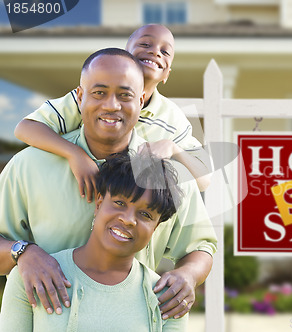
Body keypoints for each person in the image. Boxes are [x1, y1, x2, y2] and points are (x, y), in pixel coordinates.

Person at [0, 48, 216, 321]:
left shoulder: (168, 177)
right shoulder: (28, 166)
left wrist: (188, 275)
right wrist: (23, 253)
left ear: (141, 100)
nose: (112, 105)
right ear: (80, 97)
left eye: (125, 95)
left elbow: (200, 246)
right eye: (99, 92)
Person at [14, 24, 211, 200]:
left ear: (167, 74)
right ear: (125, 55)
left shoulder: (172, 118)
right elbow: (25, 128)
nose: (155, 52)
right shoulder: (91, 98)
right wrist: (75, 154)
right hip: (73, 196)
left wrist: (172, 148)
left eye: (165, 51)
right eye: (145, 44)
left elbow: (204, 180)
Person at [0, 152, 187, 331]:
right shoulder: (32, 276)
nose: (128, 219)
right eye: (120, 203)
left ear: (154, 228)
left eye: (146, 214)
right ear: (98, 204)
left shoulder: (168, 298)